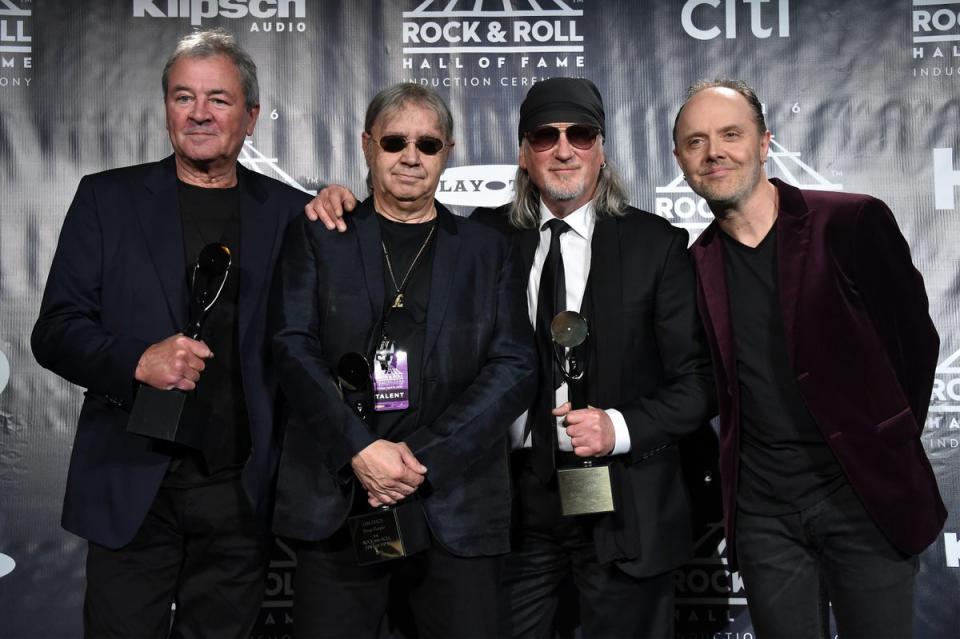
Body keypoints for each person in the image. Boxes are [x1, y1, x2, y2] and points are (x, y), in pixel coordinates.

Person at [305, 77, 715, 639]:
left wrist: (618, 427)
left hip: (623, 497)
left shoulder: (657, 244)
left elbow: (698, 384)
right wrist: (340, 201)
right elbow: (399, 223)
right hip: (510, 504)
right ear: (523, 153)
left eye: (581, 134)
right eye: (545, 136)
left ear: (602, 148)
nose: (564, 149)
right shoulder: (483, 237)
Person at [31, 29, 310, 637]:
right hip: (134, 480)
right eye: (184, 97)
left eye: (219, 99)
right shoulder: (107, 198)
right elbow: (54, 331)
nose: (200, 114)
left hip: (240, 489)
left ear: (252, 115)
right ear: (166, 109)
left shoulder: (292, 214)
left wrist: (342, 204)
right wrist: (136, 360)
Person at [672, 79, 947, 638]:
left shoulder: (850, 223)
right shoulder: (693, 263)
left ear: (765, 142)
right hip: (764, 515)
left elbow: (914, 347)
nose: (714, 152)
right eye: (695, 142)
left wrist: (882, 444)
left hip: (865, 499)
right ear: (681, 161)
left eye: (730, 134)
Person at [270, 82, 537, 639]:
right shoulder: (322, 234)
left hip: (456, 506)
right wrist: (359, 449)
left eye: (428, 144)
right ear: (367, 145)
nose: (411, 157)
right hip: (340, 504)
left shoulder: (488, 249)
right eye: (395, 142)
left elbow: (514, 368)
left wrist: (419, 459)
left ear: (449, 152)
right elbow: (291, 348)